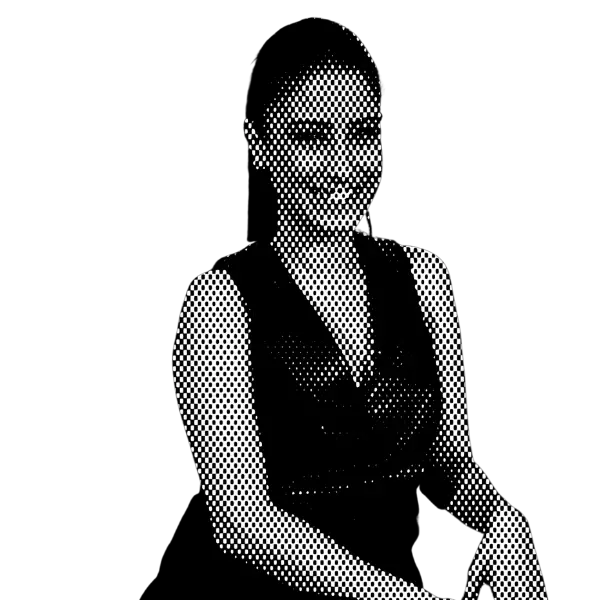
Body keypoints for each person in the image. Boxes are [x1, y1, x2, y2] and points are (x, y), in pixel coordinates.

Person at [171, 17, 549, 599]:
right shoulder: (219, 301)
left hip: (438, 575)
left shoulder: (425, 274)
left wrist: (502, 527)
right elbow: (244, 524)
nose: (343, 163)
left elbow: (457, 464)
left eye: (362, 133)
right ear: (258, 143)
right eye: (312, 136)